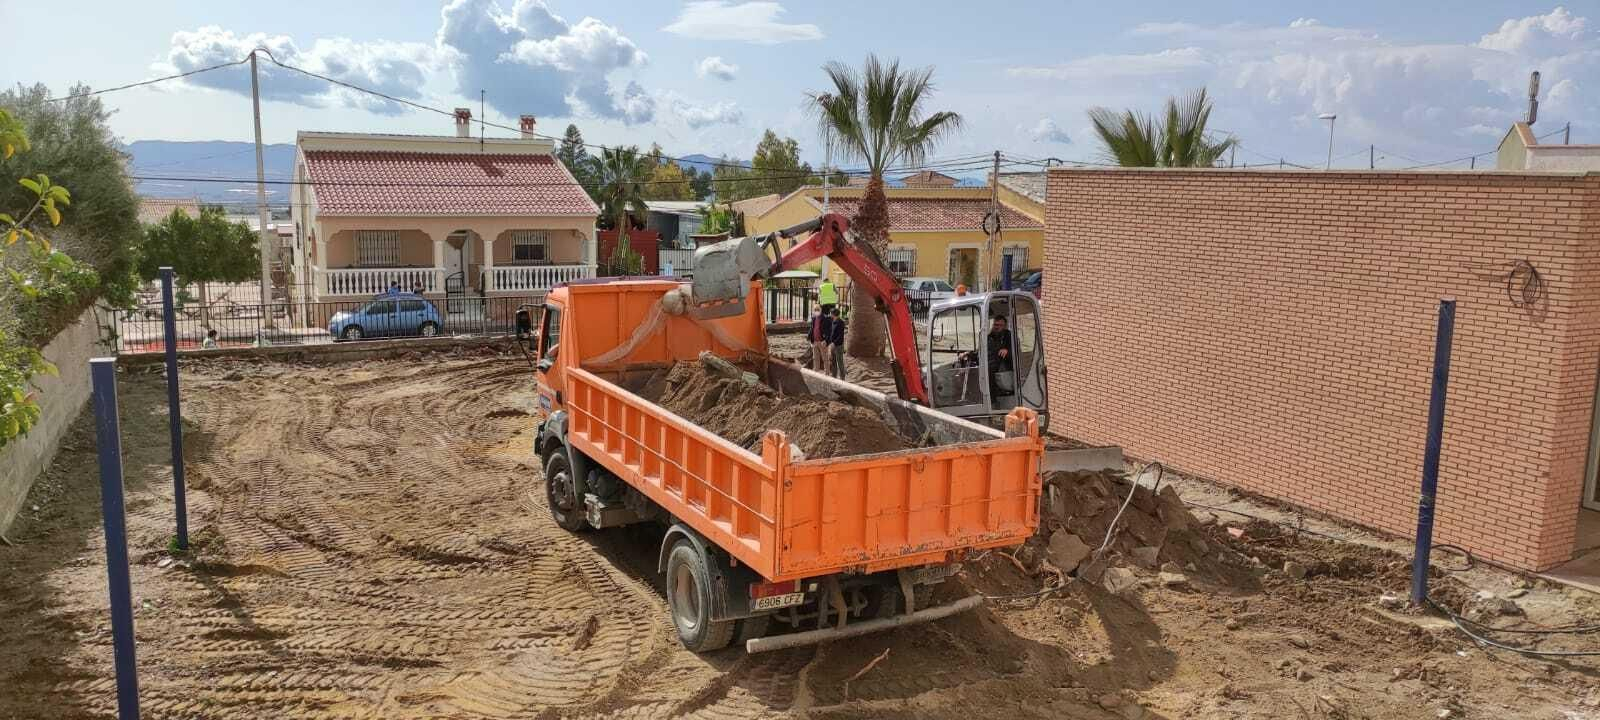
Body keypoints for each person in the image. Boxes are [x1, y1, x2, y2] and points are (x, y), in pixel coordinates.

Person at [807, 306, 830, 373]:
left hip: (822, 341)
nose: (816, 311)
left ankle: (827, 372)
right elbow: (812, 328)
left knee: (825, 358)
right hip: (814, 341)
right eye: (815, 310)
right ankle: (816, 371)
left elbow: (828, 331)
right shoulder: (813, 318)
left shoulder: (825, 319)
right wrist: (810, 338)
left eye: (818, 310)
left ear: (820, 310)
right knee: (815, 358)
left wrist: (826, 340)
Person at [827, 306, 846, 379]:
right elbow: (831, 333)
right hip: (832, 345)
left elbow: (840, 336)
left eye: (831, 313)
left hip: (838, 346)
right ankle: (834, 377)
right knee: (833, 362)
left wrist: (834, 343)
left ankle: (842, 377)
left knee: (840, 362)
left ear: (833, 314)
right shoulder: (833, 322)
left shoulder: (840, 322)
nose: (830, 315)